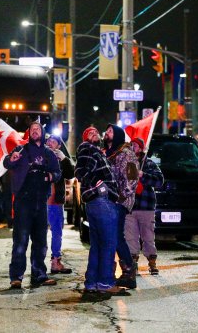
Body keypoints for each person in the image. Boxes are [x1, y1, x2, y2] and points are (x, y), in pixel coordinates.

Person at [3, 121, 61, 288]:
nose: (35, 131)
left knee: (40, 241)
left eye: (38, 129)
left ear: (42, 133)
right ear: (29, 133)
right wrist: (11, 159)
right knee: (20, 241)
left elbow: (57, 173)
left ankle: (39, 275)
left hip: (41, 201)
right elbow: (7, 163)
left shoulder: (49, 153)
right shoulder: (21, 149)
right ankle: (16, 277)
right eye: (32, 129)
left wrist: (50, 176)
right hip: (23, 201)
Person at [75, 126, 123, 294]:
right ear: (85, 138)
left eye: (96, 132)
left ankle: (92, 282)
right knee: (109, 243)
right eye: (90, 132)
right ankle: (105, 283)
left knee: (97, 245)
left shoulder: (95, 150)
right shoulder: (87, 148)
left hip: (96, 202)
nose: (95, 133)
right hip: (102, 201)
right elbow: (80, 172)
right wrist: (100, 184)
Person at [104, 124, 139, 289]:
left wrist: (122, 195)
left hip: (120, 201)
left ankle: (129, 270)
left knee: (117, 235)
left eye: (110, 131)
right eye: (107, 131)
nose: (107, 133)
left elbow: (132, 178)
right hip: (109, 201)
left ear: (117, 135)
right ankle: (119, 270)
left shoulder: (127, 154)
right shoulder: (109, 154)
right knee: (112, 235)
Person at [125, 137, 164, 275]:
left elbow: (160, 181)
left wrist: (143, 175)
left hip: (146, 206)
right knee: (130, 238)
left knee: (148, 236)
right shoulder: (126, 163)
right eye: (131, 145)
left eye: (135, 145)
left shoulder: (149, 164)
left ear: (141, 149)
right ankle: (132, 264)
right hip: (130, 207)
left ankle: (152, 262)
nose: (133, 147)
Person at [45, 134, 74, 274]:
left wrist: (64, 159)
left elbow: (71, 174)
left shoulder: (61, 159)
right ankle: (37, 265)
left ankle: (55, 261)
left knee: (57, 232)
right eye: (49, 141)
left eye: (54, 142)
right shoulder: (41, 154)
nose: (50, 143)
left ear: (59, 146)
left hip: (56, 201)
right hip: (41, 201)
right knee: (39, 234)